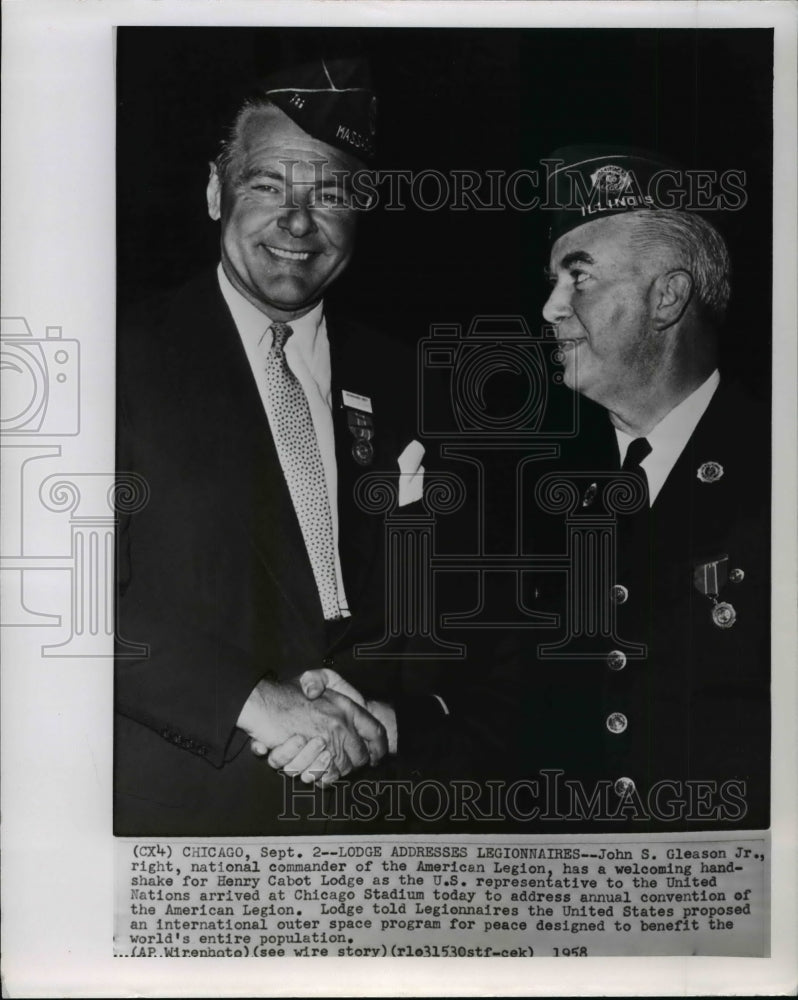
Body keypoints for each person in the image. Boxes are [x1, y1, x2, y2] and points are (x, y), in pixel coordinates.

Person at [114, 57, 456, 835]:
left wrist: (379, 712)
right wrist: (251, 701)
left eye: (329, 194)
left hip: (375, 822)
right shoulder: (113, 358)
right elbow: (55, 606)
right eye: (268, 185)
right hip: (178, 829)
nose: (298, 222)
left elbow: (445, 609)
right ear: (215, 190)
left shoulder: (410, 380)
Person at [520, 146, 770, 829]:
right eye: (552, 281)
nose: (550, 308)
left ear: (668, 297)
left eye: (580, 279)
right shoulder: (546, 492)